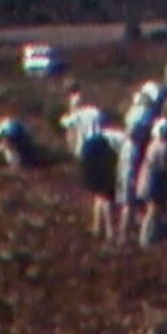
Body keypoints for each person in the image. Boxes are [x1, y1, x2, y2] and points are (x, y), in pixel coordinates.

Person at [61, 103, 115, 241]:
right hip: (99, 149)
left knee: (98, 194)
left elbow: (64, 123)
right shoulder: (96, 113)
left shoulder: (78, 115)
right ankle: (109, 230)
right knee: (105, 194)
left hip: (84, 152)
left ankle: (97, 226)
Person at [116, 91, 155, 241]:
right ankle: (123, 235)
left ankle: (126, 230)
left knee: (127, 199)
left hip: (126, 153)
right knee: (128, 201)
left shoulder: (132, 112)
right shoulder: (142, 114)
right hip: (131, 154)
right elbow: (133, 132)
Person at [136, 118, 167, 247]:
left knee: (153, 209)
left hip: (148, 178)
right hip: (154, 180)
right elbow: (164, 166)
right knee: (153, 210)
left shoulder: (153, 144)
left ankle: (152, 234)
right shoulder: (163, 146)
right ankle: (145, 238)